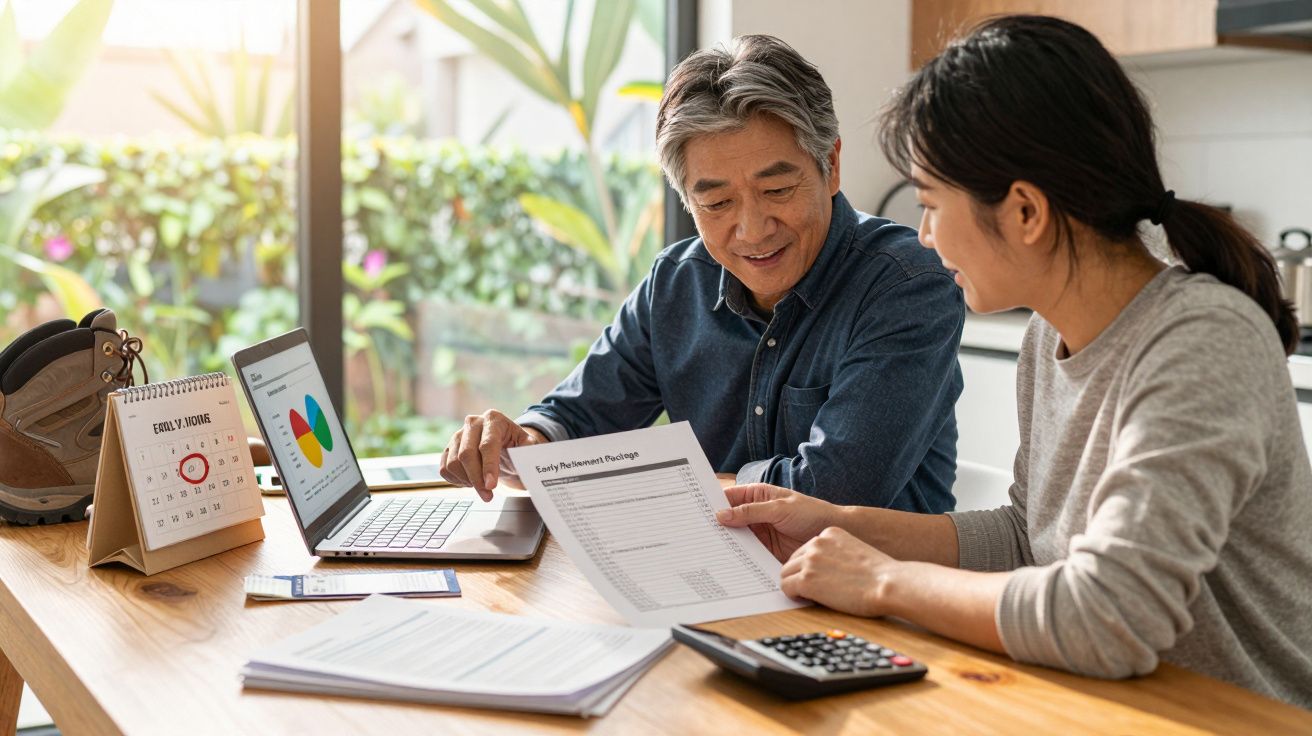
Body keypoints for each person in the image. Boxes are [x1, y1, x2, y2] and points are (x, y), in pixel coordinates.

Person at [717, 15, 1312, 707]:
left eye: (933, 205)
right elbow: (1029, 538)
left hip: (1233, 717)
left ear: (1025, 211)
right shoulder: (1046, 337)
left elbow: (1109, 617)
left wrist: (881, 580)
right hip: (1101, 705)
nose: (926, 237)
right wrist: (832, 521)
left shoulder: (1203, 342)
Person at [439, 35, 964, 512]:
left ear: (831, 165)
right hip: (713, 578)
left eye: (777, 191)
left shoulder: (906, 284)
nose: (753, 230)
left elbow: (833, 492)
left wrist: (657, 482)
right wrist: (521, 445)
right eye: (716, 202)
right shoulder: (676, 283)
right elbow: (576, 422)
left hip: (871, 600)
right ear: (687, 201)